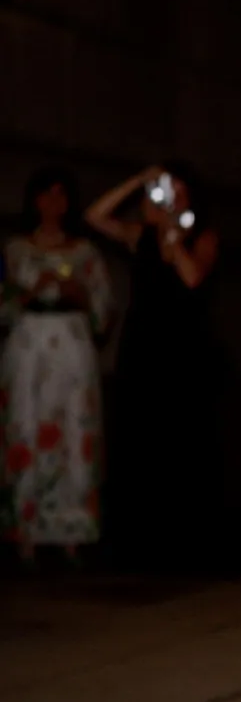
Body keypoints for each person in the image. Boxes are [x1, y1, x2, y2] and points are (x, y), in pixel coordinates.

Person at [84, 162, 223, 570]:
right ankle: (135, 542)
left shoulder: (203, 236)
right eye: (164, 191)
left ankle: (185, 541)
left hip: (183, 354)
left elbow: (192, 277)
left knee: (181, 441)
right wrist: (137, 181)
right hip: (142, 348)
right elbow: (94, 216)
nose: (168, 199)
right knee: (138, 437)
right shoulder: (139, 234)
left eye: (178, 191)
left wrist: (172, 233)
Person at [0, 167, 112, 566]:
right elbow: (3, 302)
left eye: (61, 194)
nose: (53, 202)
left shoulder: (85, 253)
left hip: (70, 342)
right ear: (35, 200)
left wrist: (76, 292)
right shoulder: (15, 250)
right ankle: (25, 529)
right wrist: (29, 292)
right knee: (27, 422)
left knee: (73, 426)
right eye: (46, 194)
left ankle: (72, 530)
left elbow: (102, 310)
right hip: (29, 342)